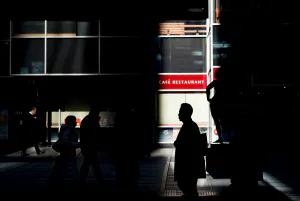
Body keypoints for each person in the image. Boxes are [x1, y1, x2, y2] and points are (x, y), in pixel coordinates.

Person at [174, 103, 207, 200]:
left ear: (187, 113)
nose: (178, 114)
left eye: (180, 112)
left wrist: (177, 143)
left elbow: (185, 144)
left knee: (187, 184)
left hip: (188, 164)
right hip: (189, 164)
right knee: (189, 186)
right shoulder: (190, 125)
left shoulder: (189, 126)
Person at [47, 115, 80, 186]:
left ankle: (55, 178)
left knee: (62, 165)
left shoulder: (65, 129)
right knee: (69, 165)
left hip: (66, 150)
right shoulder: (69, 130)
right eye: (74, 121)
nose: (76, 122)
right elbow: (66, 141)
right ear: (71, 122)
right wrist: (75, 145)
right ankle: (76, 179)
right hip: (68, 150)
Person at [77, 107, 103, 185]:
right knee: (92, 164)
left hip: (88, 145)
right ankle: (99, 180)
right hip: (90, 145)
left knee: (89, 163)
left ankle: (82, 179)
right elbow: (94, 133)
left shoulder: (87, 120)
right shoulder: (91, 121)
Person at [206, 68, 227, 143]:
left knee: (217, 122)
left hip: (215, 103)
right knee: (223, 121)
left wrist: (208, 98)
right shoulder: (226, 83)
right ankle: (223, 138)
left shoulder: (216, 82)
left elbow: (207, 88)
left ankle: (220, 138)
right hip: (222, 103)